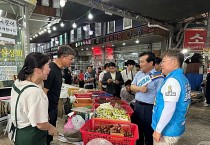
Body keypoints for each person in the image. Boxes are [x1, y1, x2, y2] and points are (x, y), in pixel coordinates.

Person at [10, 52, 57, 145]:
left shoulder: (18, 82)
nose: (50, 69)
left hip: (19, 134)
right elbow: (41, 124)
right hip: (31, 138)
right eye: (48, 65)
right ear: (37, 70)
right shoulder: (35, 92)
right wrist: (52, 128)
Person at [152, 50, 191, 145]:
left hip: (167, 130)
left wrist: (158, 130)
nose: (161, 64)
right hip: (173, 126)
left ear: (173, 62)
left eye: (164, 61)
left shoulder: (172, 81)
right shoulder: (181, 78)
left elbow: (169, 109)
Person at [43, 45, 75, 145]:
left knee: (49, 136)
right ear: (63, 57)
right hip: (48, 109)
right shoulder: (51, 70)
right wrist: (44, 111)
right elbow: (44, 92)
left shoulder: (58, 70)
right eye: (70, 59)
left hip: (52, 106)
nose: (71, 61)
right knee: (46, 137)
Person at [130, 52, 164, 145]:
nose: (140, 64)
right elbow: (132, 87)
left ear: (150, 63)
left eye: (142, 62)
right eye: (139, 61)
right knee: (137, 133)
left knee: (149, 134)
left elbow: (160, 98)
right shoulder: (139, 74)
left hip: (150, 109)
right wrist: (140, 88)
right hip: (137, 106)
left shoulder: (159, 78)